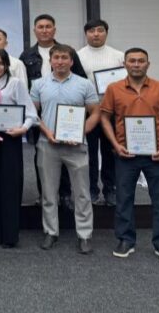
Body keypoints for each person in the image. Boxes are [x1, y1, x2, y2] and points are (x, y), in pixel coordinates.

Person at [100, 48, 159, 263]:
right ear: (124, 64)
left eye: (141, 61)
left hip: (157, 154)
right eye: (132, 61)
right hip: (125, 154)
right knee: (124, 198)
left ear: (148, 64)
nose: (136, 64)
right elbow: (104, 118)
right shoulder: (114, 89)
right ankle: (126, 239)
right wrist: (115, 145)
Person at [30, 44, 101, 255]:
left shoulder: (85, 84)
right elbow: (33, 114)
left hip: (77, 146)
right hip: (47, 145)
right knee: (49, 192)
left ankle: (85, 235)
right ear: (50, 61)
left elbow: (95, 113)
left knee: (82, 193)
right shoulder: (38, 84)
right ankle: (50, 232)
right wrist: (47, 132)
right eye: (56, 57)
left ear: (71, 61)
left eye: (64, 58)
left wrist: (80, 133)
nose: (60, 61)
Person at [20, 15, 86, 208]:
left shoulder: (67, 51)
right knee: (41, 154)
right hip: (39, 109)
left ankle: (65, 194)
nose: (44, 30)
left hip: (66, 110)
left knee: (66, 152)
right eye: (40, 27)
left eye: (48, 26)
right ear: (35, 30)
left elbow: (80, 77)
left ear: (54, 30)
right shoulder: (26, 55)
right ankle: (45, 194)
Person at [0, 49, 38, 248]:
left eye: (0, 63)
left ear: (6, 65)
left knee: (10, 186)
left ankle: (10, 235)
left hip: (10, 139)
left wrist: (23, 129)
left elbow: (31, 114)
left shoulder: (15, 84)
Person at [78, 19, 124, 206]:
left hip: (112, 111)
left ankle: (110, 189)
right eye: (91, 31)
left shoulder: (119, 56)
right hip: (87, 111)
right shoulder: (78, 56)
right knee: (88, 153)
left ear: (106, 32)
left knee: (110, 151)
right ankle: (91, 189)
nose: (96, 34)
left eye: (100, 30)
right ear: (86, 34)